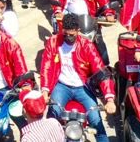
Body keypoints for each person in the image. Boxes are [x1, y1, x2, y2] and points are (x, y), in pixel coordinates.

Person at [40, 13, 115, 142]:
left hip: (83, 88)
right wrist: (45, 91)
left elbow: (101, 70)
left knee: (96, 121)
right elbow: (46, 66)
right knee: (52, 118)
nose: (68, 38)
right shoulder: (53, 42)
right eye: (65, 34)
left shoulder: (87, 45)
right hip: (62, 86)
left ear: (78, 31)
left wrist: (110, 99)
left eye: (72, 35)